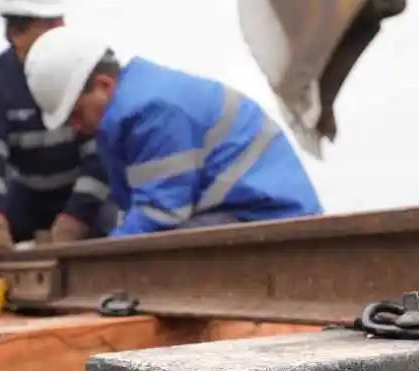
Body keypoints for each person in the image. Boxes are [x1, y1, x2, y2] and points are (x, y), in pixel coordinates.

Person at [22, 26, 324, 236]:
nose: (75, 127)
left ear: (104, 85)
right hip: (249, 210)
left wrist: (107, 261)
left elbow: (160, 214)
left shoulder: (152, 111)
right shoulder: (135, 106)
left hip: (270, 217)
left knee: (162, 255)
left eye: (75, 113)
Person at [0, 0, 118, 268]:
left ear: (57, 24)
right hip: (25, 199)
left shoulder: (88, 64)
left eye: (20, 26)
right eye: (9, 26)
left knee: (116, 235)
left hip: (85, 198)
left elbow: (100, 158)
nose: (11, 36)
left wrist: (73, 221)